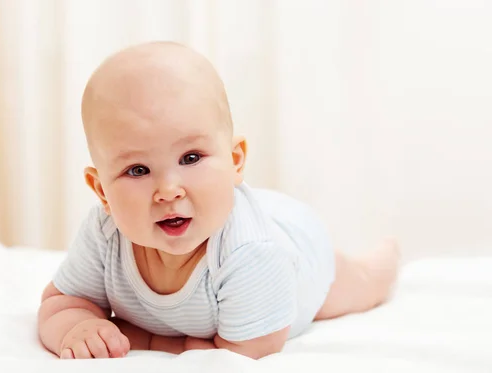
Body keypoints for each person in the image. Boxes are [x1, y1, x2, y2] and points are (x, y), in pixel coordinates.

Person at [37, 41, 400, 360]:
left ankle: (383, 264)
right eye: (137, 170)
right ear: (101, 191)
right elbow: (59, 303)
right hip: (244, 215)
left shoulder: (251, 254)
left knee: (353, 286)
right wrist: (76, 327)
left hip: (301, 253)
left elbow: (249, 348)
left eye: (191, 158)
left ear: (235, 160)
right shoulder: (104, 234)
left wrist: (148, 339)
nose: (168, 190)